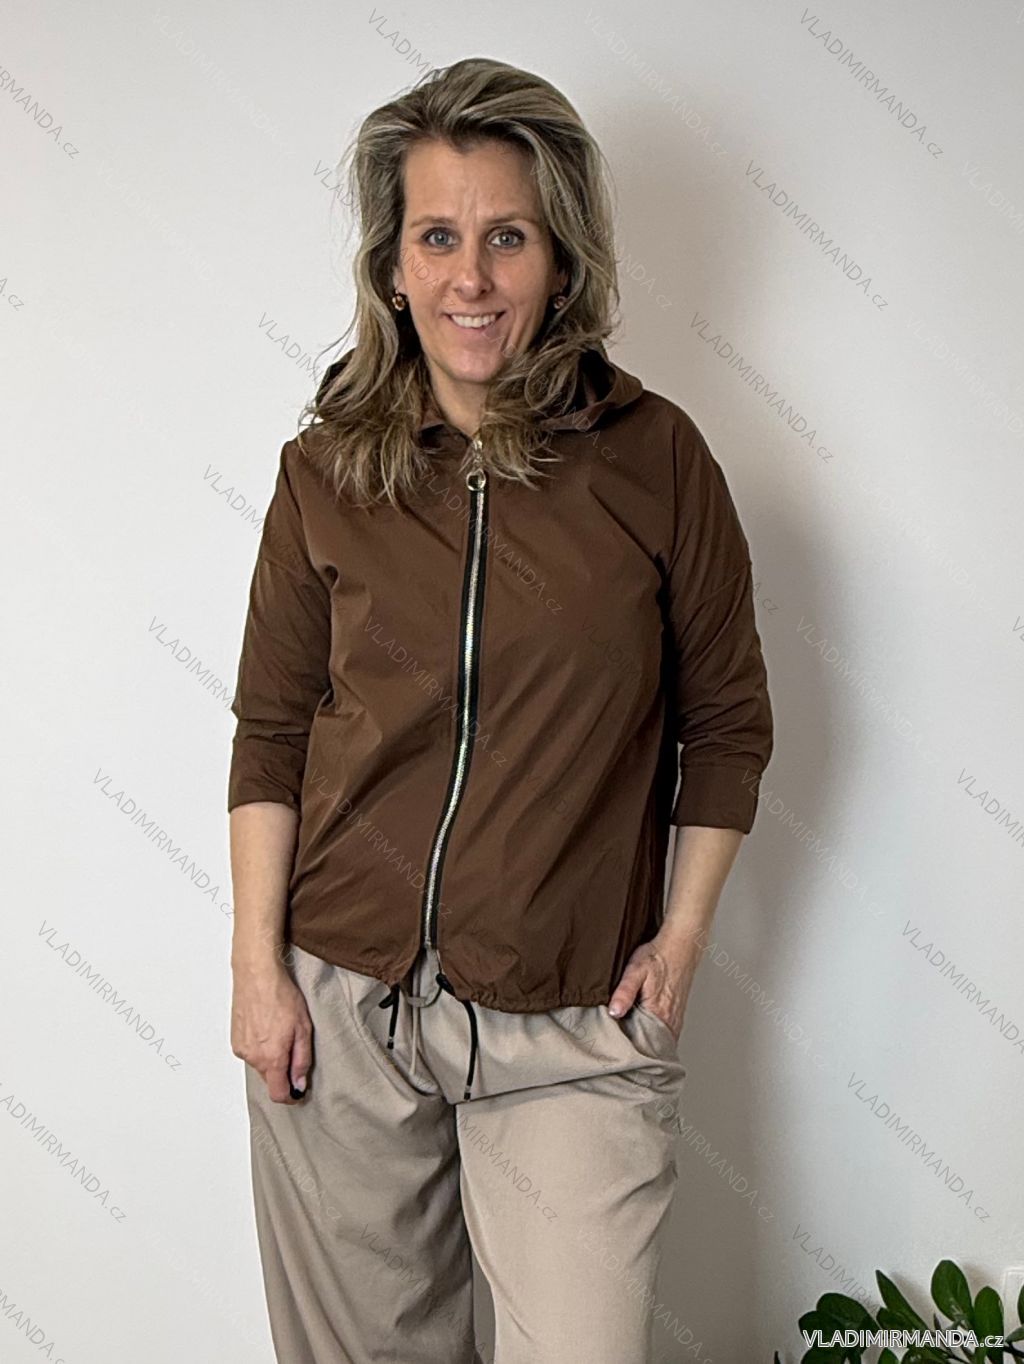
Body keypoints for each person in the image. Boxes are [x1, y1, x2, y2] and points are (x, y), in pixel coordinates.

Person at [227, 56, 773, 1364]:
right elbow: (272, 731)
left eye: (507, 238)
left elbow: (728, 723)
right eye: (438, 237)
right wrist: (258, 966)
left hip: (572, 1018)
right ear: (392, 266)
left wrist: (682, 942)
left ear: (562, 259)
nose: (470, 277)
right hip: (342, 1010)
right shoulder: (326, 471)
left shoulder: (657, 461)